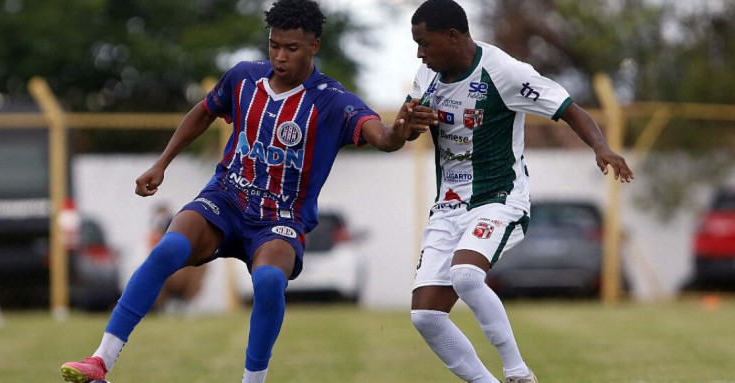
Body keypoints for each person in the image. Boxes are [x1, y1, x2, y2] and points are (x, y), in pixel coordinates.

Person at [60, 1, 433, 382]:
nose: (280, 56)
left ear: (314, 46)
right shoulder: (243, 78)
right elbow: (204, 111)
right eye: (274, 46)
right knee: (168, 248)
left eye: (292, 48)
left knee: (270, 281)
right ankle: (100, 362)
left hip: (280, 217)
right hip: (226, 196)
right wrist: (162, 163)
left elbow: (383, 138)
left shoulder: (333, 99)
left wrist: (401, 131)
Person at [405, 1, 634, 383]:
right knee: (426, 316)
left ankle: (518, 372)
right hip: (447, 207)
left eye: (424, 43)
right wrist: (408, 123)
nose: (419, 53)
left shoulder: (505, 72)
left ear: (452, 36)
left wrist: (601, 147)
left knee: (465, 276)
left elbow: (568, 108)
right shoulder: (426, 77)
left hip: (499, 198)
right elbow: (405, 129)